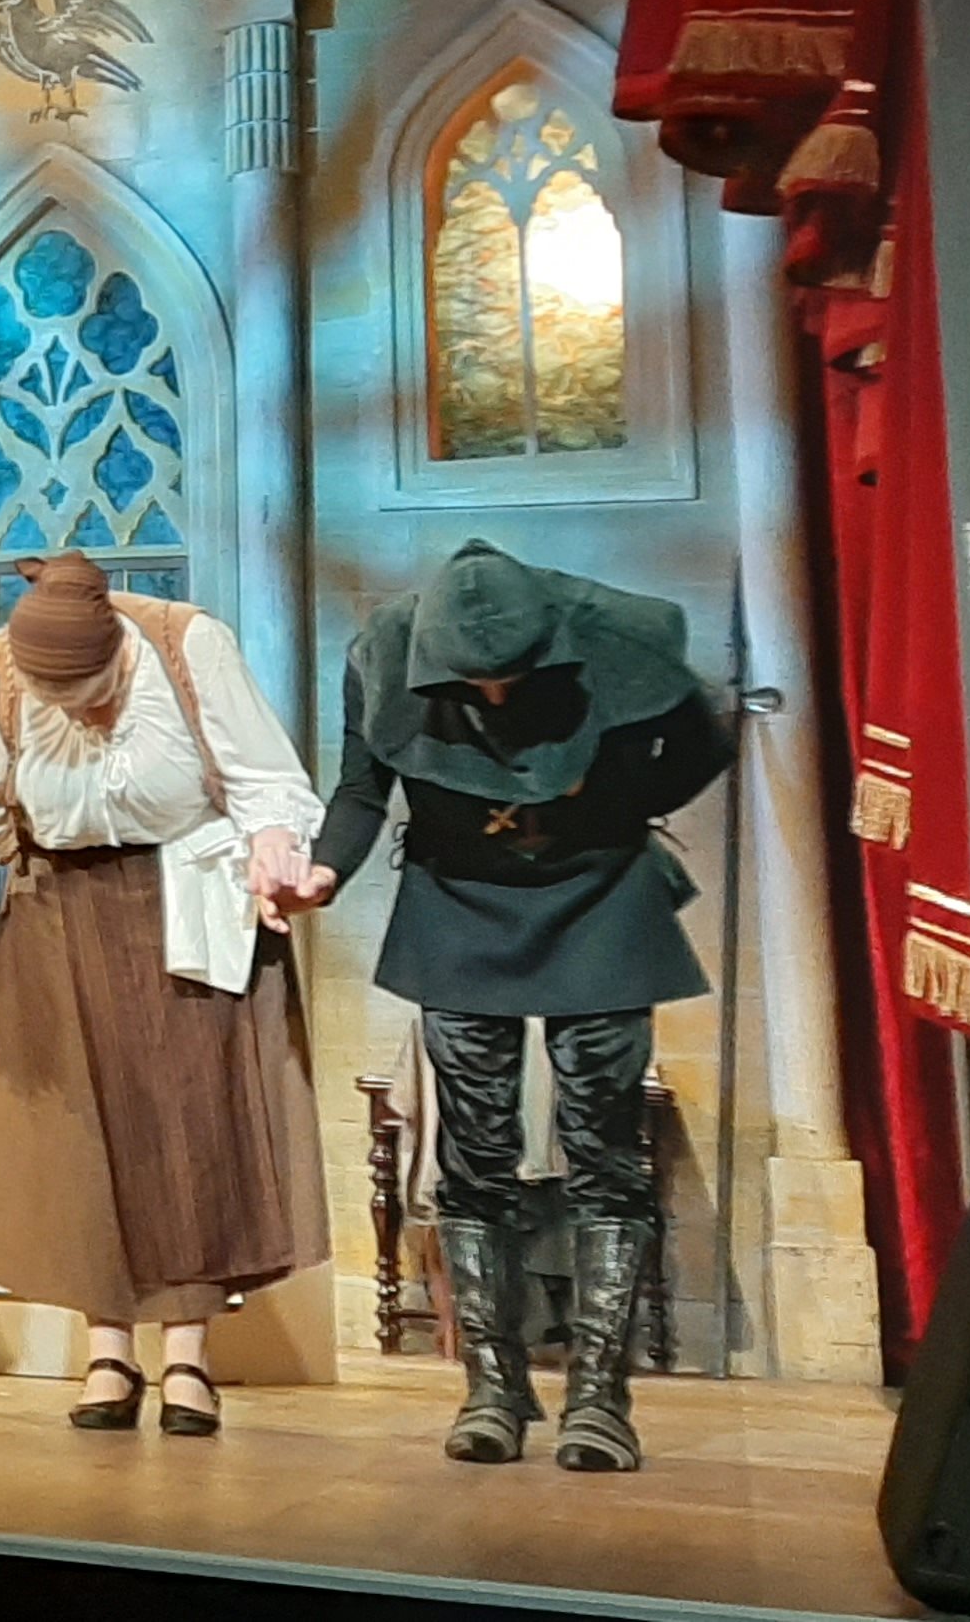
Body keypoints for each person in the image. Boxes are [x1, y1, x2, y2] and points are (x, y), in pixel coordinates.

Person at [289, 539, 731, 1475]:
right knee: (473, 1153)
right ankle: (492, 1389)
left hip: (601, 898)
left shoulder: (619, 635)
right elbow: (363, 788)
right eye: (472, 684)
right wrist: (326, 870)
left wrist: (614, 804)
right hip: (459, 903)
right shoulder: (384, 655)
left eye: (512, 680)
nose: (493, 697)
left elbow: (705, 742)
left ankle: (600, 1402)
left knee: (605, 1150)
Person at [0, 552, 330, 1435]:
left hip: (186, 898)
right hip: (61, 910)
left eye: (97, 695)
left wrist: (276, 845)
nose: (86, 714)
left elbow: (265, 780)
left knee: (189, 1131)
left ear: (119, 651)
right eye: (66, 702)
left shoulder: (188, 645)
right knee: (80, 1135)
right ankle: (108, 1351)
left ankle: (189, 1358)